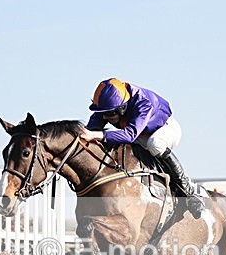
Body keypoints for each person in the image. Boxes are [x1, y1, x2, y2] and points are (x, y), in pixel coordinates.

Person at [79, 78, 205, 219]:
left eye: (110, 114)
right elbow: (89, 131)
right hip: (139, 135)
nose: (105, 117)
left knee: (154, 144)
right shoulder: (107, 106)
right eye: (103, 113)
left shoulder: (143, 102)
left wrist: (97, 134)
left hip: (164, 130)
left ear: (123, 106)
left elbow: (130, 134)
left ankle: (188, 192)